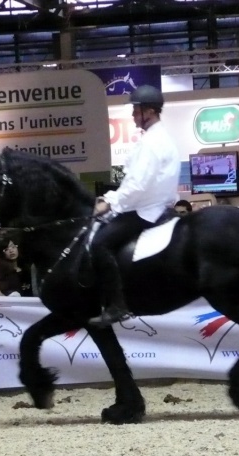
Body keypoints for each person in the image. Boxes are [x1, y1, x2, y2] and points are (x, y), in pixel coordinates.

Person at [90, 85, 180, 326]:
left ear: (149, 111)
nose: (132, 115)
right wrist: (111, 196)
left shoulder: (152, 143)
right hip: (156, 206)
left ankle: (117, 305)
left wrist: (109, 204)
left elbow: (138, 185)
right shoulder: (160, 139)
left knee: (99, 244)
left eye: (135, 110)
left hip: (144, 210)